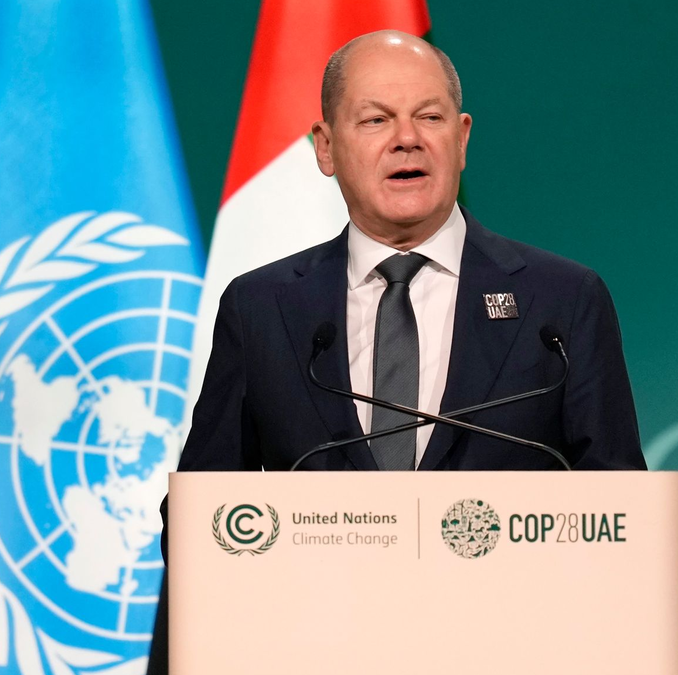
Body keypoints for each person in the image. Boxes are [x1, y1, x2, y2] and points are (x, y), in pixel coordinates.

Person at [147, 30, 645, 673]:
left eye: (429, 117)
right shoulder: (263, 307)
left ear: (462, 139)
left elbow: (623, 510)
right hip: (314, 651)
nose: (406, 138)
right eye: (376, 119)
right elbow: (202, 515)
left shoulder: (562, 301)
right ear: (326, 148)